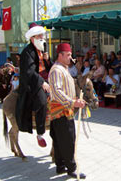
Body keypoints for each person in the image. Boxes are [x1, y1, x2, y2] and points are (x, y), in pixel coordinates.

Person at [48, 43, 86, 179]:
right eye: (68, 55)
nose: (71, 57)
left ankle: (60, 166)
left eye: (71, 55)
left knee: (59, 140)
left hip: (63, 109)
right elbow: (57, 91)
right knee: (68, 140)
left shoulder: (64, 69)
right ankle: (72, 169)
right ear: (60, 55)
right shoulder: (57, 70)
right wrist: (72, 102)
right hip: (62, 110)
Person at [15, 23, 50, 148]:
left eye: (42, 35)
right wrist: (42, 83)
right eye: (39, 36)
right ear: (32, 38)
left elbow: (47, 68)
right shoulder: (27, 52)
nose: (42, 37)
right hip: (32, 82)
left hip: (45, 78)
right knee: (42, 101)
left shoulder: (41, 50)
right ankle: (40, 133)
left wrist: (47, 60)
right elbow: (29, 72)